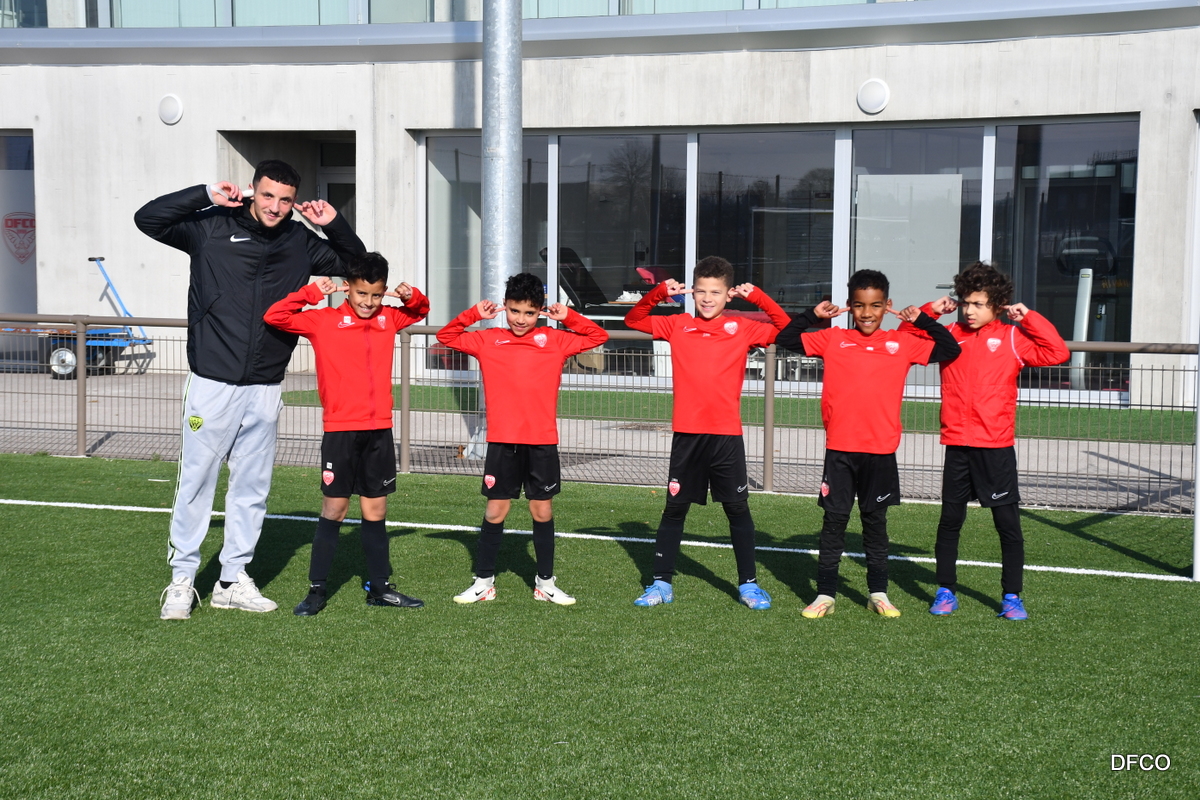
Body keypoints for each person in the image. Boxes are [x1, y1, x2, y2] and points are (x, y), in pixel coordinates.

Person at [136, 159, 365, 620]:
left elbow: (358, 266)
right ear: (251, 192)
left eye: (285, 200)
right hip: (212, 383)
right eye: (267, 196)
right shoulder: (211, 226)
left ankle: (231, 579)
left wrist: (333, 223)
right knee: (197, 483)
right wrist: (203, 194)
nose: (276, 207)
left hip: (265, 384)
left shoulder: (300, 241)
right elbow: (148, 218)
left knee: (252, 488)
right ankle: (182, 580)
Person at [775, 269, 960, 618]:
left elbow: (950, 349)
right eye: (859, 306)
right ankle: (825, 595)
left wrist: (923, 319)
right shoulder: (833, 340)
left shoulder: (902, 343)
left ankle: (879, 593)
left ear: (887, 305)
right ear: (849, 306)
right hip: (841, 450)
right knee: (834, 524)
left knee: (876, 526)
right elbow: (785, 338)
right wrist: (812, 316)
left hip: (880, 452)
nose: (867, 313)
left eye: (876, 305)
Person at [263, 252, 430, 615]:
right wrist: (309, 293)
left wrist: (410, 296)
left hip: (379, 430)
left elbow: (419, 311)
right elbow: (274, 316)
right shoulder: (323, 320)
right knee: (335, 508)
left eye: (375, 295)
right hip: (340, 431)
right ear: (347, 289)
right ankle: (317, 590)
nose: (368, 303)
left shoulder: (389, 317)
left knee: (376, 509)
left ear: (383, 292)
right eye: (360, 294)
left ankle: (380, 588)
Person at [902, 262, 1069, 621]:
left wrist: (1030, 318)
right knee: (950, 520)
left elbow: (1057, 353)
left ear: (997, 304)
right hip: (958, 443)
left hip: (995, 446)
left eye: (978, 304)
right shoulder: (950, 335)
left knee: (1007, 525)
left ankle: (1012, 596)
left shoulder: (1011, 337)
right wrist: (932, 310)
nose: (969, 310)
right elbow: (906, 337)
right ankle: (945, 590)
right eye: (965, 302)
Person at [624, 256, 790, 610]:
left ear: (729, 294)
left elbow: (786, 328)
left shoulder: (743, 327)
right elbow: (633, 319)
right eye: (701, 291)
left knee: (737, 509)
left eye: (715, 292)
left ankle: (748, 584)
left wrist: (758, 297)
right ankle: (660, 583)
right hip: (688, 436)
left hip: (726, 436)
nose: (707, 298)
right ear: (693, 293)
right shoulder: (678, 325)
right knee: (674, 510)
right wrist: (658, 293)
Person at [436, 272, 608, 605]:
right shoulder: (488, 340)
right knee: (495, 511)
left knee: (542, 512)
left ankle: (545, 583)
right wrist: (474, 315)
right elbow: (447, 335)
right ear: (505, 308)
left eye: (529, 313)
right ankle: (484, 582)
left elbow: (597, 335)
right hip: (502, 443)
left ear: (540, 312)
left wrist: (568, 317)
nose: (520, 319)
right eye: (514, 311)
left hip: (542, 442)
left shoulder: (554, 340)